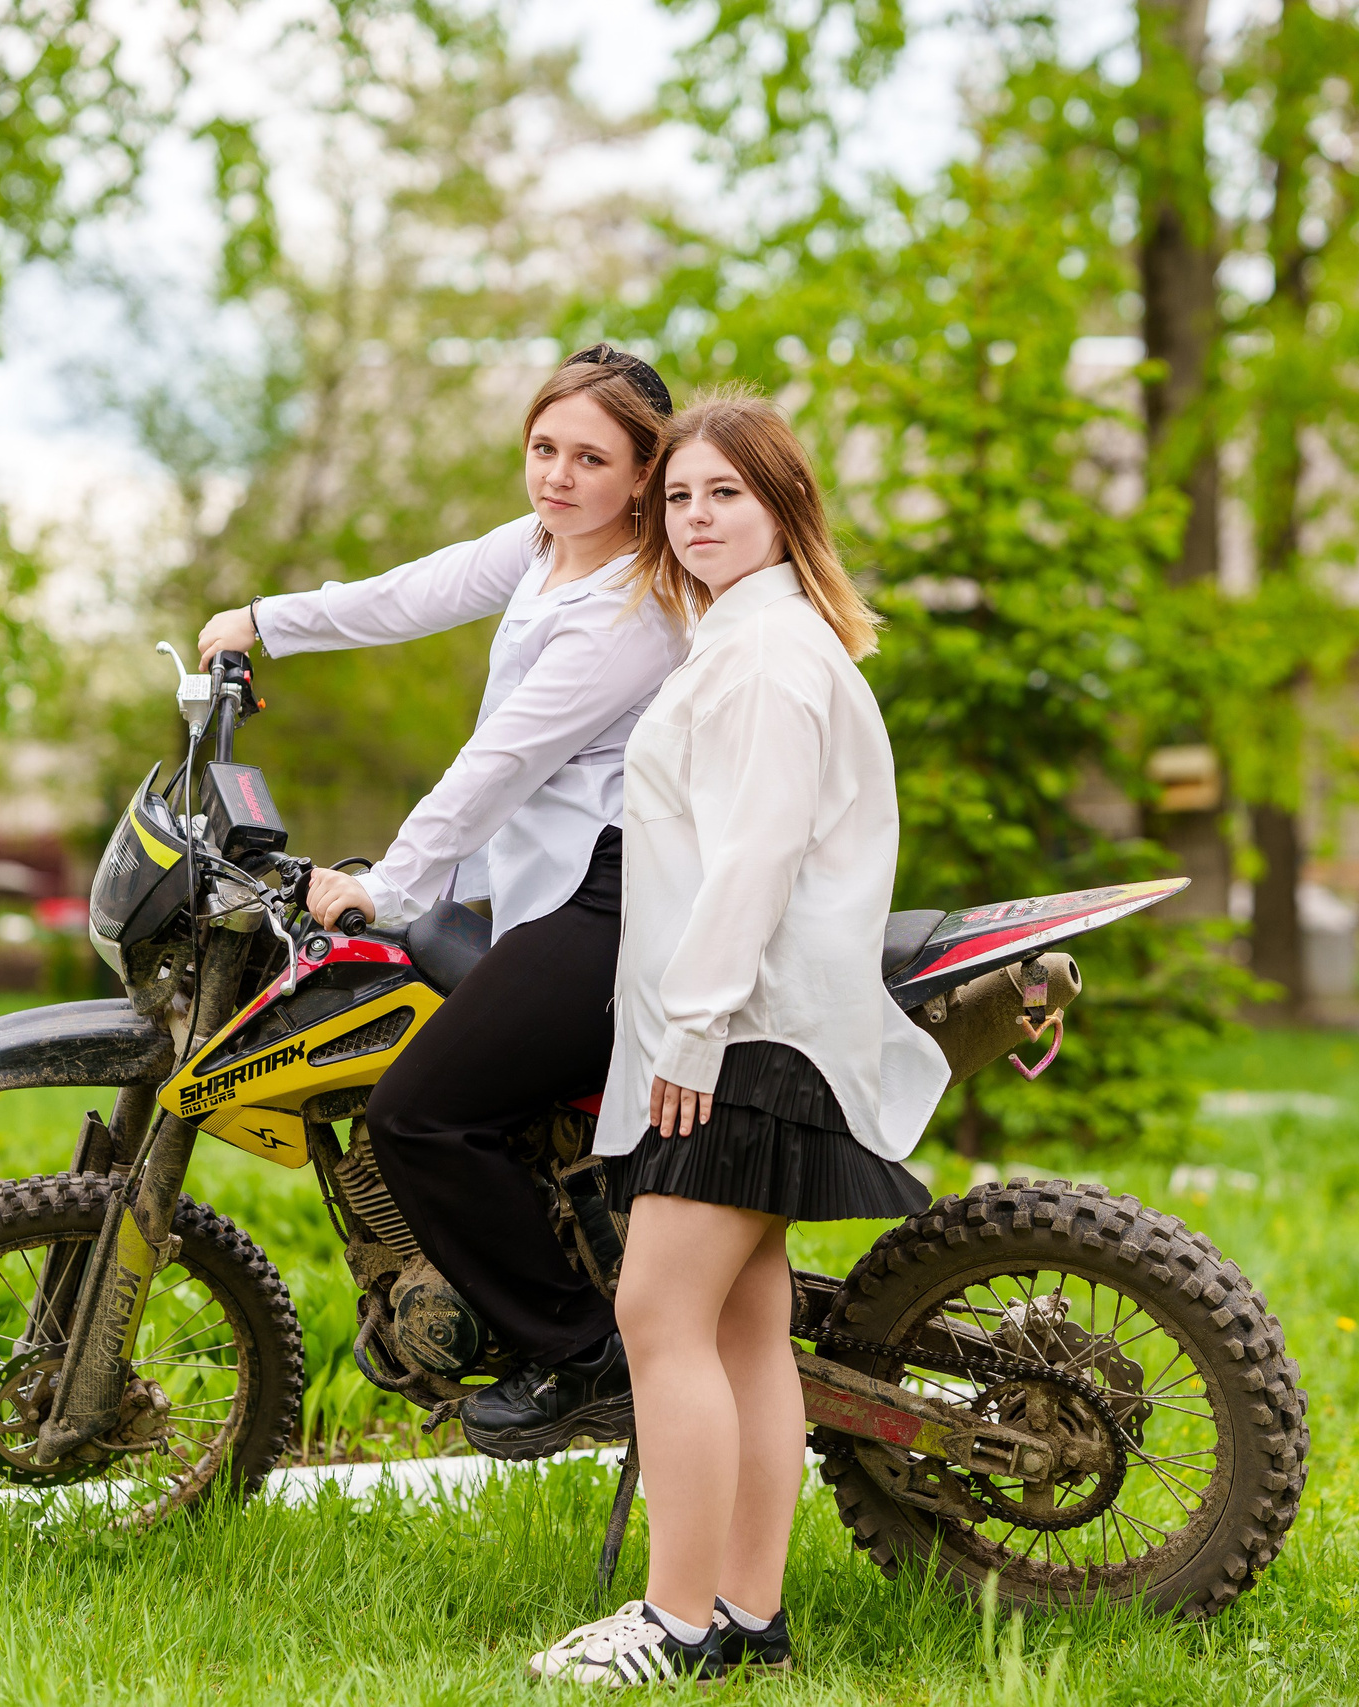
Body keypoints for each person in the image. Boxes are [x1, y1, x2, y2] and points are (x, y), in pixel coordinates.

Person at [528, 394, 949, 1685]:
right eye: (681, 497)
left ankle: (675, 1619)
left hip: (744, 1033)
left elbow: (756, 859)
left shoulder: (769, 657)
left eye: (726, 494)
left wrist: (694, 1032)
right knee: (745, 1332)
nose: (695, 517)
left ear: (782, 507)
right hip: (765, 1029)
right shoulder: (753, 639)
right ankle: (748, 1618)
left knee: (658, 1311)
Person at [194, 345, 684, 1454]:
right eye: (543, 448)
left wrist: (386, 887)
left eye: (590, 459)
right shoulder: (541, 549)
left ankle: (577, 1353)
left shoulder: (631, 610)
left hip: (613, 902)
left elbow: (497, 763)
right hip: (543, 887)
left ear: (645, 476)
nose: (557, 476)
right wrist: (264, 621)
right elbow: (410, 593)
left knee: (423, 1112)